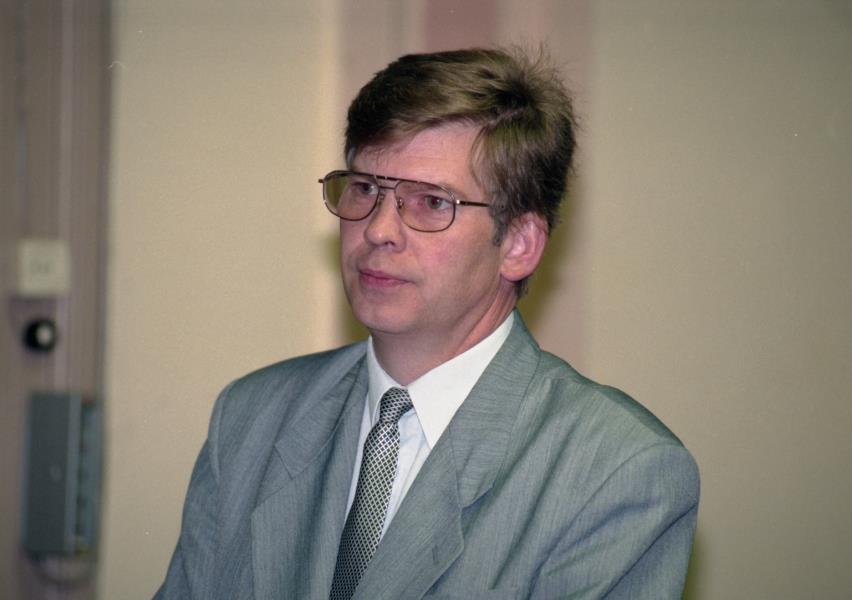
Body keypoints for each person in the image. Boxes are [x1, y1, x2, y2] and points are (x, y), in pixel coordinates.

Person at [155, 47, 699, 600]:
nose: (378, 230)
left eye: (432, 203)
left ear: (519, 244)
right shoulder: (250, 418)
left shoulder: (618, 471)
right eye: (364, 189)